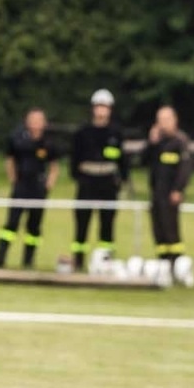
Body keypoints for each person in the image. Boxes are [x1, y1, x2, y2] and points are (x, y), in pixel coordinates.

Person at [0, 108, 58, 269]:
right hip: (21, 186)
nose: (35, 123)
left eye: (39, 120)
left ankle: (28, 261)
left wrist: (49, 183)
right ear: (27, 122)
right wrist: (13, 179)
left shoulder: (48, 143)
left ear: (44, 123)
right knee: (11, 223)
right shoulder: (17, 139)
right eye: (32, 120)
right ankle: (0, 258)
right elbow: (10, 160)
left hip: (38, 188)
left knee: (34, 226)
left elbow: (54, 166)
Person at [69, 89, 126, 271]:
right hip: (87, 181)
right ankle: (78, 260)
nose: (102, 111)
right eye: (99, 106)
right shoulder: (83, 132)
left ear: (110, 109)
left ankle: (105, 261)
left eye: (105, 107)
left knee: (107, 223)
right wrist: (78, 177)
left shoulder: (115, 133)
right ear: (93, 108)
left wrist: (121, 179)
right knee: (82, 222)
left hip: (108, 182)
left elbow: (121, 159)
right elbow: (74, 158)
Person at [146, 105, 192, 266]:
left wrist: (178, 189)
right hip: (156, 193)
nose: (163, 124)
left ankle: (177, 262)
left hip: (171, 193)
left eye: (166, 119)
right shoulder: (157, 143)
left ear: (174, 120)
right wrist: (151, 143)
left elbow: (185, 169)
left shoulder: (180, 141)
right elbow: (143, 161)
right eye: (160, 120)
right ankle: (163, 262)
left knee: (171, 228)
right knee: (158, 228)